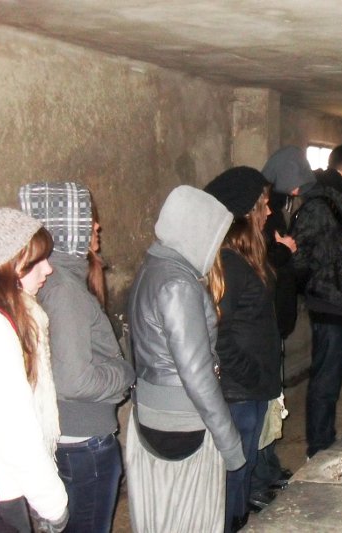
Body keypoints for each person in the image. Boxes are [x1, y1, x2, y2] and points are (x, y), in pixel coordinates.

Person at [126, 185, 245, 532]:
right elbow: (196, 373)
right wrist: (229, 442)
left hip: (153, 410)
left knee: (163, 514)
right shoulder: (178, 284)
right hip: (181, 420)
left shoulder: (153, 268)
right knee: (192, 517)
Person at [18, 182, 136, 533]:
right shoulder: (65, 290)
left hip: (76, 440)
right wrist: (124, 373)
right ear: (66, 227)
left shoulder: (59, 280)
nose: (96, 226)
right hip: (84, 444)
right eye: (88, 219)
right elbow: (74, 380)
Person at [204, 167, 283, 532]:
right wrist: (251, 374)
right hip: (239, 392)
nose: (269, 211)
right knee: (233, 476)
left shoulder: (244, 257)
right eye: (263, 204)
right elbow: (218, 334)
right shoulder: (230, 264)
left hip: (252, 388)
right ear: (246, 211)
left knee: (244, 470)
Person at [0, 208, 68, 532]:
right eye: (35, 261)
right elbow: (15, 432)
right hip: (2, 494)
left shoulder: (9, 319)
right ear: (6, 266)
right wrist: (53, 504)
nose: (48, 268)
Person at [290, 144, 342, 458]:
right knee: (326, 380)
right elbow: (297, 254)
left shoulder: (341, 203)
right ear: (341, 172)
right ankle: (319, 448)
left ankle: (324, 440)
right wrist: (339, 248)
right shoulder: (319, 205)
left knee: (332, 379)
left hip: (341, 301)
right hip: (327, 302)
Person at [251, 145, 317, 510]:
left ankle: (267, 467)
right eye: (293, 184)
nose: (296, 192)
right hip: (264, 320)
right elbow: (260, 265)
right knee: (263, 404)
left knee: (272, 402)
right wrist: (285, 250)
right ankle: (257, 479)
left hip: (275, 319)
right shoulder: (261, 213)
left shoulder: (277, 209)